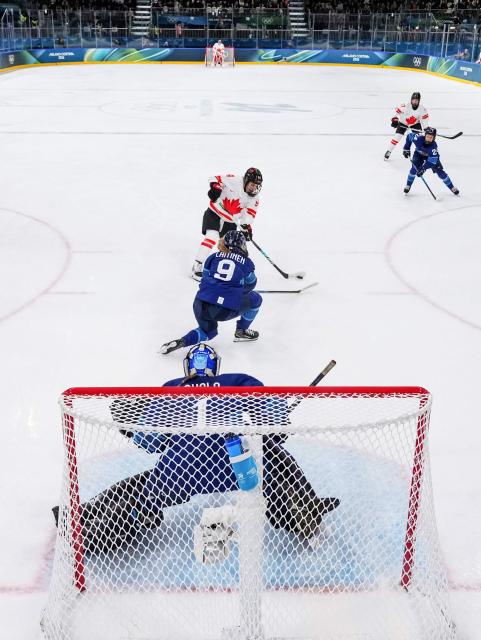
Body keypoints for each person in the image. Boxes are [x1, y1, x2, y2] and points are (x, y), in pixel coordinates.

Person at [54, 344, 340, 553]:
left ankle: (88, 520)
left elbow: (150, 442)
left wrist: (130, 426)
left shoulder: (169, 388)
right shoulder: (238, 380)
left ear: (187, 367)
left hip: (180, 470)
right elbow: (273, 419)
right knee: (278, 462)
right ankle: (301, 511)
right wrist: (277, 427)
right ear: (215, 366)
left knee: (138, 489)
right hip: (234, 464)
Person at [163, 230, 262, 354]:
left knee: (208, 332)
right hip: (223, 309)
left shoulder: (212, 257)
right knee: (256, 299)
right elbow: (251, 284)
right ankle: (241, 331)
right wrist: (238, 290)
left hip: (200, 302)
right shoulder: (246, 263)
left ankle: (183, 341)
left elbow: (205, 277)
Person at [191, 167, 262, 281]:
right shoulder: (234, 180)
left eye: (256, 186)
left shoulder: (254, 199)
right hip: (214, 213)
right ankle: (197, 266)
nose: (254, 188)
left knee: (231, 248)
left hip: (230, 221)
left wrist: (246, 226)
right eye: (252, 185)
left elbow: (249, 214)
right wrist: (216, 188)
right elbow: (214, 178)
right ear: (246, 181)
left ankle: (226, 272)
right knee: (212, 236)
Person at [402, 127, 459, 195]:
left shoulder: (433, 148)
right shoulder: (417, 138)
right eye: (428, 136)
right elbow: (409, 136)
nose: (429, 139)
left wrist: (423, 169)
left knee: (440, 172)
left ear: (434, 138)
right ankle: (408, 185)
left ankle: (452, 187)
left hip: (430, 158)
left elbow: (432, 162)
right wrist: (406, 148)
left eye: (431, 137)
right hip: (418, 154)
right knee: (414, 169)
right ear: (425, 135)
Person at [384, 92, 429, 160]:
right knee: (397, 138)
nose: (414, 102)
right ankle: (389, 151)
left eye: (416, 100)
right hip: (403, 123)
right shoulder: (405, 106)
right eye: (413, 100)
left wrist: (426, 128)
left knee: (418, 138)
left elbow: (424, 120)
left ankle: (421, 153)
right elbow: (396, 113)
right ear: (411, 99)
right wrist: (394, 119)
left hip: (415, 124)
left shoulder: (422, 109)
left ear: (419, 101)